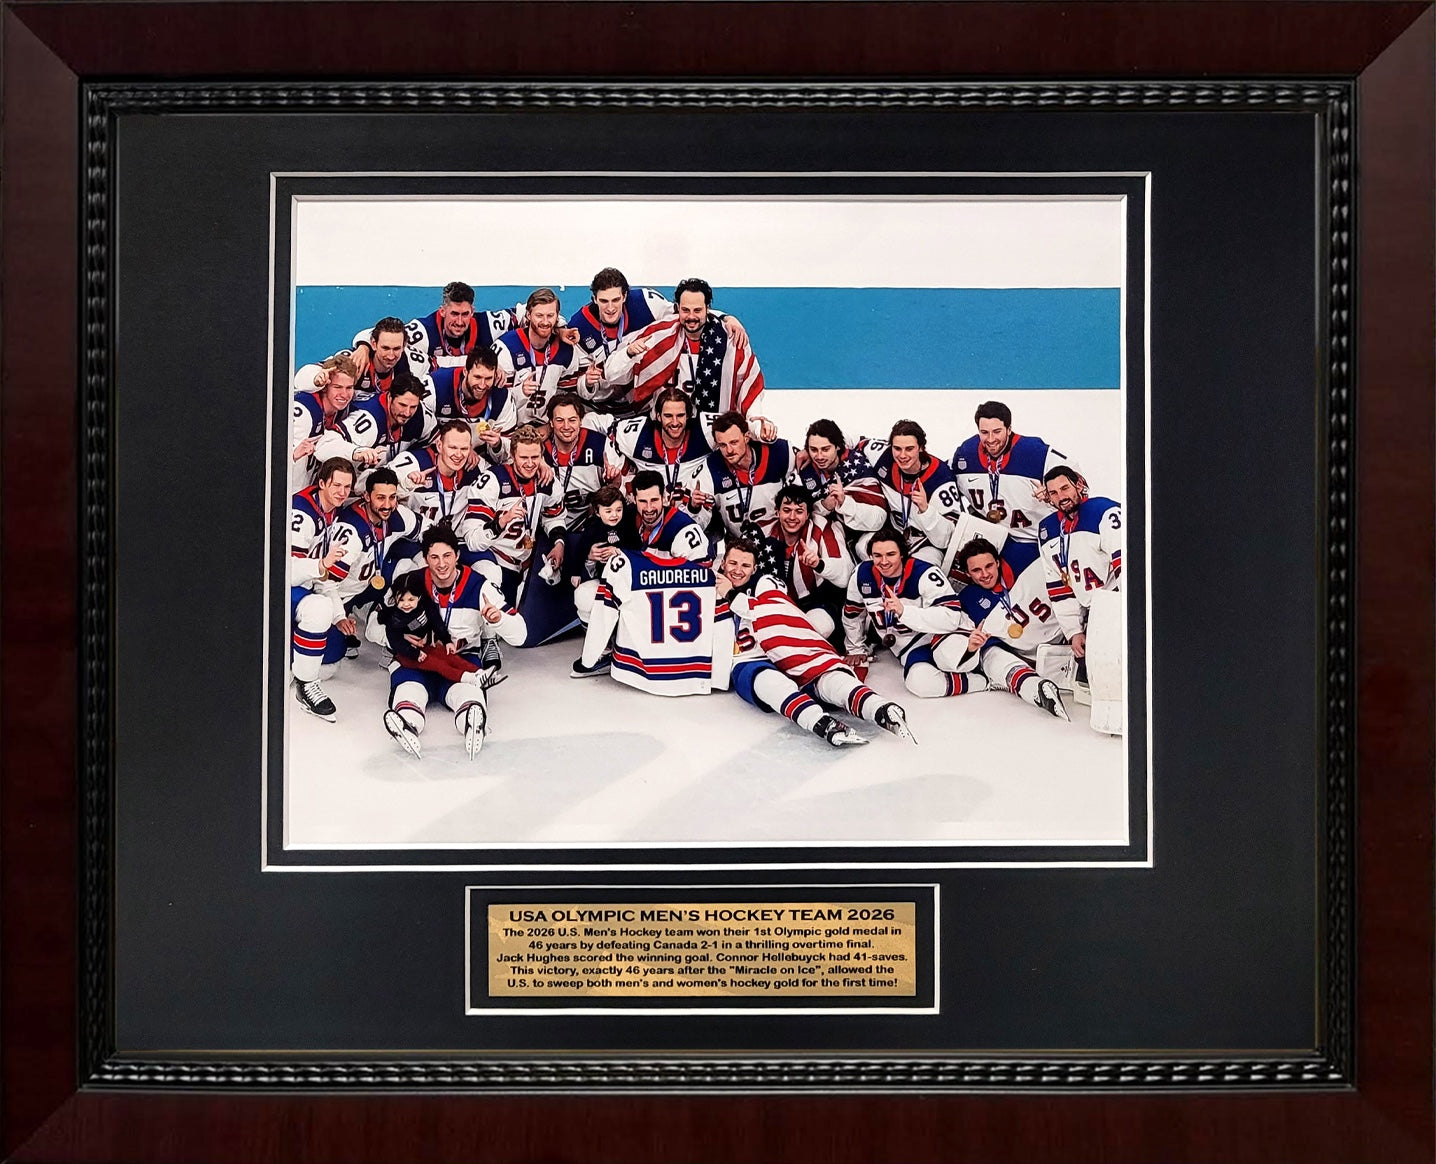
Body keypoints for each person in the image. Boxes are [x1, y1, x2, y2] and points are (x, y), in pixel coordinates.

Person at [717, 538, 916, 745]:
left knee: (824, 675)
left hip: (783, 647)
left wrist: (730, 594)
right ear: (723, 563)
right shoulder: (706, 585)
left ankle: (878, 707)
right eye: (733, 563)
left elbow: (768, 608)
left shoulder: (765, 582)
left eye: (745, 565)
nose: (738, 570)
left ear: (754, 568)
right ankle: (820, 722)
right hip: (746, 657)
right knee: (768, 681)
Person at [369, 527, 526, 760]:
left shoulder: (479, 586)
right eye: (434, 557)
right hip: (417, 660)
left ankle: (471, 720)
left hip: (459, 657)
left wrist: (499, 619)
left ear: (457, 555)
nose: (441, 564)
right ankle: (408, 722)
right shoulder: (410, 583)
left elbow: (520, 635)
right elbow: (373, 625)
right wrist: (395, 637)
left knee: (467, 693)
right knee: (408, 690)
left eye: (447, 556)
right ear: (425, 559)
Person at [567, 267, 748, 409]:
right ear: (594, 299)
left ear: (625, 296)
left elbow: (687, 312)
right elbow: (580, 386)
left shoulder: (646, 302)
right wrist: (588, 383)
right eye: (604, 301)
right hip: (599, 406)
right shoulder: (579, 327)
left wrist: (724, 317)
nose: (610, 308)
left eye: (615, 300)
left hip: (641, 402)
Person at [599, 277, 769, 423]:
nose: (691, 316)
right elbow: (611, 373)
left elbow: (750, 384)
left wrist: (755, 421)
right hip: (666, 429)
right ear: (677, 308)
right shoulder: (658, 334)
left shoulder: (730, 339)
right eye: (685, 310)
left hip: (714, 432)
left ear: (708, 308)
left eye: (697, 310)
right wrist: (628, 354)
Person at [571, 548, 733, 694]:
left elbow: (604, 613)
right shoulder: (712, 577)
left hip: (637, 672)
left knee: (588, 597)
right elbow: (723, 628)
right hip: (692, 675)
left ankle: (601, 657)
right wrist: (720, 678)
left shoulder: (625, 565)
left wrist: (588, 659)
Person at [947, 536, 1070, 720]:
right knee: (988, 652)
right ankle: (1034, 688)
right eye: (976, 570)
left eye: (989, 566)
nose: (985, 574)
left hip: (1068, 634)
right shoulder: (967, 599)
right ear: (967, 573)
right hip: (1033, 657)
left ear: (997, 562)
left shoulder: (1024, 556)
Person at [950, 401, 1073, 576]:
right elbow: (944, 479)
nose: (991, 439)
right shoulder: (966, 454)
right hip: (997, 537)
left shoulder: (1034, 452)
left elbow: (1080, 486)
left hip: (1036, 537)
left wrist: (1054, 493)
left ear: (1009, 429)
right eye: (984, 432)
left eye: (997, 431)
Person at [861, 419, 999, 568]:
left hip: (926, 544)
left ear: (921, 447)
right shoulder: (882, 455)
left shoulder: (941, 481)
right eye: (897, 448)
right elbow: (855, 441)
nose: (902, 455)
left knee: (920, 569)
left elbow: (946, 539)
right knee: (863, 547)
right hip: (892, 535)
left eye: (909, 449)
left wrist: (925, 510)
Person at [1038, 465, 1123, 704]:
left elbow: (1125, 561)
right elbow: (1058, 587)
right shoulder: (1046, 529)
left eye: (1065, 488)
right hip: (1091, 614)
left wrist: (1128, 610)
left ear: (1078, 485)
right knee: (1089, 685)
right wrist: (1074, 631)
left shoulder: (1103, 510)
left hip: (1115, 602)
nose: (1061, 496)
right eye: (1053, 492)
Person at [462, 424, 569, 606]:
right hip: (493, 557)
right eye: (524, 457)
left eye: (535, 457)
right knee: (492, 586)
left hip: (523, 560)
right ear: (512, 455)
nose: (529, 463)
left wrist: (559, 543)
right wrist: (502, 521)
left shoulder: (547, 481)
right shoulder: (493, 480)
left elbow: (554, 516)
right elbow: (472, 540)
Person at [289, 458, 356, 721]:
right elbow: (285, 570)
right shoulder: (302, 513)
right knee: (319, 608)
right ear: (321, 483)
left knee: (333, 654)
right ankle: (306, 685)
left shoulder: (331, 511)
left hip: (301, 588)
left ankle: (297, 668)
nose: (342, 491)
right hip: (272, 590)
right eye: (336, 485)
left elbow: (322, 576)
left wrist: (339, 615)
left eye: (347, 487)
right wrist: (320, 564)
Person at [758, 484, 854, 640]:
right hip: (777, 602)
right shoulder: (763, 532)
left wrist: (819, 564)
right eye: (787, 510)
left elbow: (845, 574)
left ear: (809, 514)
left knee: (816, 628)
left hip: (818, 601)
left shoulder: (822, 527)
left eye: (799, 511)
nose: (792, 517)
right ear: (777, 512)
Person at [689, 410, 799, 539]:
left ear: (747, 437)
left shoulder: (780, 452)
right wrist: (694, 507)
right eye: (722, 445)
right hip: (738, 549)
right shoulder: (709, 469)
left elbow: (808, 487)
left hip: (779, 542)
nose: (729, 450)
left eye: (734, 442)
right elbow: (695, 524)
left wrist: (805, 454)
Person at [314, 377, 435, 488]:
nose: (407, 413)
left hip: (366, 484)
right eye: (402, 405)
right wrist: (356, 452)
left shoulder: (421, 418)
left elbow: (437, 445)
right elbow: (322, 446)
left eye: (413, 407)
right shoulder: (370, 421)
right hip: (330, 483)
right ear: (390, 397)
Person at [607, 386, 719, 505]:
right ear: (658, 416)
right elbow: (607, 428)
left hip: (694, 513)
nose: (675, 422)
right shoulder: (637, 435)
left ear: (688, 416)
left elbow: (736, 427)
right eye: (668, 416)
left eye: (680, 415)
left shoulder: (707, 432)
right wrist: (620, 471)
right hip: (650, 511)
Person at [493, 288, 588, 425]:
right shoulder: (507, 347)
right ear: (528, 315)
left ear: (557, 316)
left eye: (550, 316)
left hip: (546, 427)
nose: (545, 321)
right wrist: (520, 392)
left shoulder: (566, 350)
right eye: (539, 315)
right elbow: (494, 399)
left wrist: (550, 427)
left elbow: (569, 397)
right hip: (511, 427)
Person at [376, 570, 484, 684]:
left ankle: (480, 673)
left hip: (426, 647)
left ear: (419, 597)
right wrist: (415, 654)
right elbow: (396, 642)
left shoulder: (425, 604)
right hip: (407, 655)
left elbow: (436, 621)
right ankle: (471, 679)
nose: (406, 604)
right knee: (439, 665)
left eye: (411, 599)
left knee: (450, 657)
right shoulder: (394, 619)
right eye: (401, 600)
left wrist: (446, 640)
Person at [797, 419, 888, 552]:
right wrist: (824, 506)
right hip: (833, 534)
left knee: (868, 550)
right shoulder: (804, 469)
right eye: (813, 450)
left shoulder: (857, 466)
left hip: (867, 533)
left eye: (825, 449)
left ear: (838, 446)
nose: (819, 456)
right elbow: (799, 513)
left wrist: (845, 503)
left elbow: (879, 519)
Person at [398, 280, 523, 373]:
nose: (459, 321)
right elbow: (387, 340)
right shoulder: (423, 332)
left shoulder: (488, 324)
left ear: (472, 312)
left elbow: (525, 312)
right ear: (442, 311)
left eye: (465, 314)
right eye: (454, 314)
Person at [388, 420, 486, 530]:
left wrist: (497, 445)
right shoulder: (413, 463)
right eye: (453, 448)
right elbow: (378, 489)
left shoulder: (476, 466)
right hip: (413, 540)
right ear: (439, 446)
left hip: (454, 541)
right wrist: (406, 484)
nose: (458, 454)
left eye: (464, 449)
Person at [427, 347, 517, 464]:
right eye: (477, 377)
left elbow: (509, 451)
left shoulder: (501, 396)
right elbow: (422, 430)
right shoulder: (436, 385)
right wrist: (461, 447)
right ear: (465, 372)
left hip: (478, 459)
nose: (482, 385)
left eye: (488, 378)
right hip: (438, 456)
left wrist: (497, 444)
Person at [566, 484, 640, 625]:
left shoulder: (627, 525)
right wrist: (575, 573)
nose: (614, 515)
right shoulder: (593, 528)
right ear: (598, 512)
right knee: (585, 596)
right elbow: (581, 549)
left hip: (628, 580)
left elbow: (637, 549)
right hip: (604, 578)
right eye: (608, 511)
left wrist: (619, 551)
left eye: (619, 510)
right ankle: (596, 631)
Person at [543, 392, 622, 523]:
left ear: (581, 421)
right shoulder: (539, 450)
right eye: (560, 420)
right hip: (549, 521)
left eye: (572, 420)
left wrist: (615, 482)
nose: (566, 426)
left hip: (591, 521)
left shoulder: (599, 444)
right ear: (551, 423)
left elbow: (617, 491)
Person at [290, 354, 357, 491]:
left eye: (349, 388)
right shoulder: (305, 410)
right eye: (338, 387)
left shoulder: (342, 411)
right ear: (325, 387)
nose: (344, 394)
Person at [631, 469, 709, 561]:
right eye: (643, 501)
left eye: (654, 500)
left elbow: (701, 571)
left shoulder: (683, 527)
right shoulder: (625, 517)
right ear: (633, 499)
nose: (649, 508)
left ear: (664, 497)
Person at [345, 316, 429, 397]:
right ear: (374, 344)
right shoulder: (354, 361)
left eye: (396, 349)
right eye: (385, 348)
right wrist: (363, 346)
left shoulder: (415, 365)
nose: (391, 356)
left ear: (403, 346)